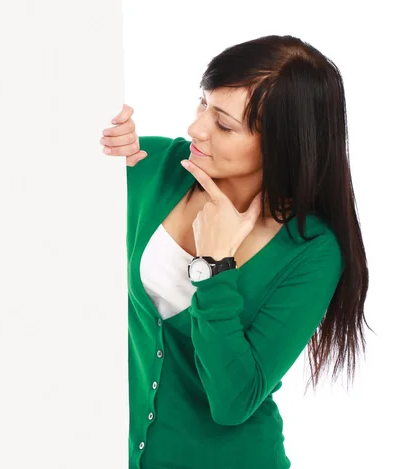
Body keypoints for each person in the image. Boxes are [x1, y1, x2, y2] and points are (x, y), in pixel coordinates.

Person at [99, 34, 371, 469]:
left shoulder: (312, 251)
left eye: (224, 124)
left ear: (283, 144)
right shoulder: (154, 167)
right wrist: (92, 146)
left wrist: (216, 265)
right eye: (202, 104)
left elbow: (233, 402)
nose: (196, 128)